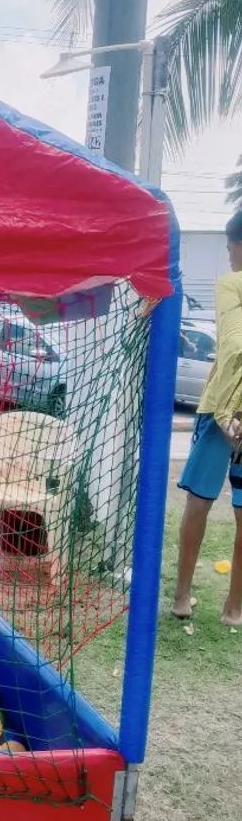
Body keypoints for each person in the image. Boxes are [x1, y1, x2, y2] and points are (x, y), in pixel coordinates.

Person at [173, 212, 242, 626]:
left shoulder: (231, 283)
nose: (230, 257)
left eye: (231, 249)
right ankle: (234, 608)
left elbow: (234, 345)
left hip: (223, 410)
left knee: (198, 501)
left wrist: (227, 411)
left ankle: (182, 597)